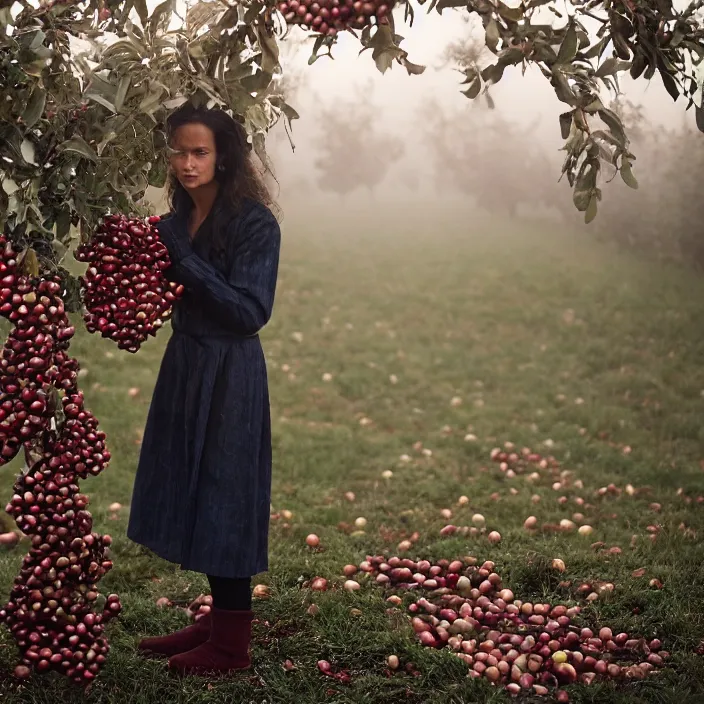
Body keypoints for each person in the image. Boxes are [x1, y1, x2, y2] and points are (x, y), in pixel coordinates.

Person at [126, 102, 282, 676]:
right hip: (187, 362)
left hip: (230, 372)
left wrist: (182, 259)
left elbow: (249, 311)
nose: (187, 163)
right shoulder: (179, 214)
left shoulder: (255, 223)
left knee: (225, 494)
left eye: (200, 152)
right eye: (179, 151)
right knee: (189, 484)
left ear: (223, 157)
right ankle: (219, 619)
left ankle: (230, 647)